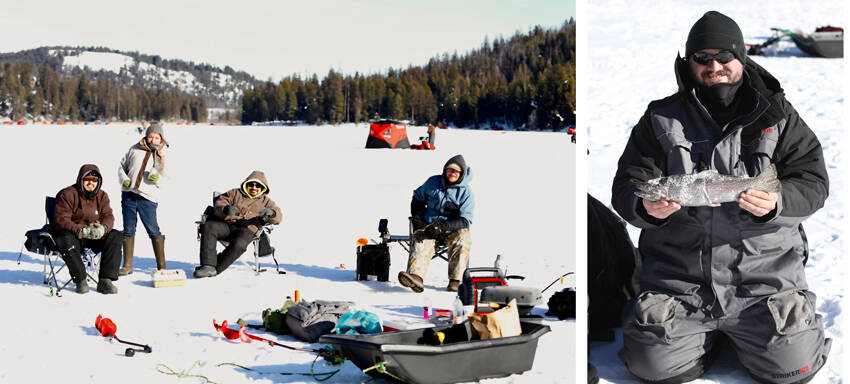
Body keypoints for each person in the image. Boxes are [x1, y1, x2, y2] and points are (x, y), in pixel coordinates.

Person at [611, 11, 830, 383]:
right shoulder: (660, 118)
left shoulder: (778, 115)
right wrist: (645, 208)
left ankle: (755, 333)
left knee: (795, 368)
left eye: (724, 57)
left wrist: (777, 203)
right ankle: (702, 339)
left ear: (741, 59)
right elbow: (629, 183)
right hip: (680, 283)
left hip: (765, 279)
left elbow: (813, 181)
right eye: (702, 58)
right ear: (689, 62)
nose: (714, 66)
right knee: (650, 367)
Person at [398, 155, 474, 293]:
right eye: (449, 170)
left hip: (450, 232)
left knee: (464, 236)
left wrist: (444, 226)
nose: (452, 173)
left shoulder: (466, 193)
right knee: (419, 238)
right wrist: (418, 221)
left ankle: (455, 281)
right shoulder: (433, 182)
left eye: (455, 171)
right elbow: (417, 198)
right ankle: (416, 278)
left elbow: (465, 220)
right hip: (428, 227)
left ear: (461, 174)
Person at [194, 171, 282, 278]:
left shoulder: (266, 201)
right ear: (246, 184)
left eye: (258, 185)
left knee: (239, 244)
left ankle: (215, 268)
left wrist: (272, 214)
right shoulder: (235, 193)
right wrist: (225, 209)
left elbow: (279, 217)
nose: (254, 187)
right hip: (227, 225)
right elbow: (220, 203)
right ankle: (207, 266)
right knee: (209, 226)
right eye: (251, 184)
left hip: (248, 229)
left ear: (263, 188)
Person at [50, 164, 122, 294]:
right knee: (64, 238)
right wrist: (81, 230)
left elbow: (108, 216)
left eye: (94, 180)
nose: (91, 183)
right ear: (81, 179)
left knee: (115, 236)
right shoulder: (67, 194)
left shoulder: (102, 196)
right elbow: (61, 219)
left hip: (94, 235)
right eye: (87, 179)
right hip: (73, 235)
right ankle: (80, 280)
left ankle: (105, 280)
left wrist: (103, 228)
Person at [117, 122, 168, 275]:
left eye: (157, 137)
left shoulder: (163, 154)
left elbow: (168, 178)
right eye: (151, 136)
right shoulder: (134, 149)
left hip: (148, 197)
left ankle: (162, 266)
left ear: (161, 138)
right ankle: (127, 265)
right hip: (129, 195)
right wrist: (123, 179)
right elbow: (121, 166)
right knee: (128, 229)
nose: (153, 139)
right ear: (146, 136)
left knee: (153, 229)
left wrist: (157, 178)